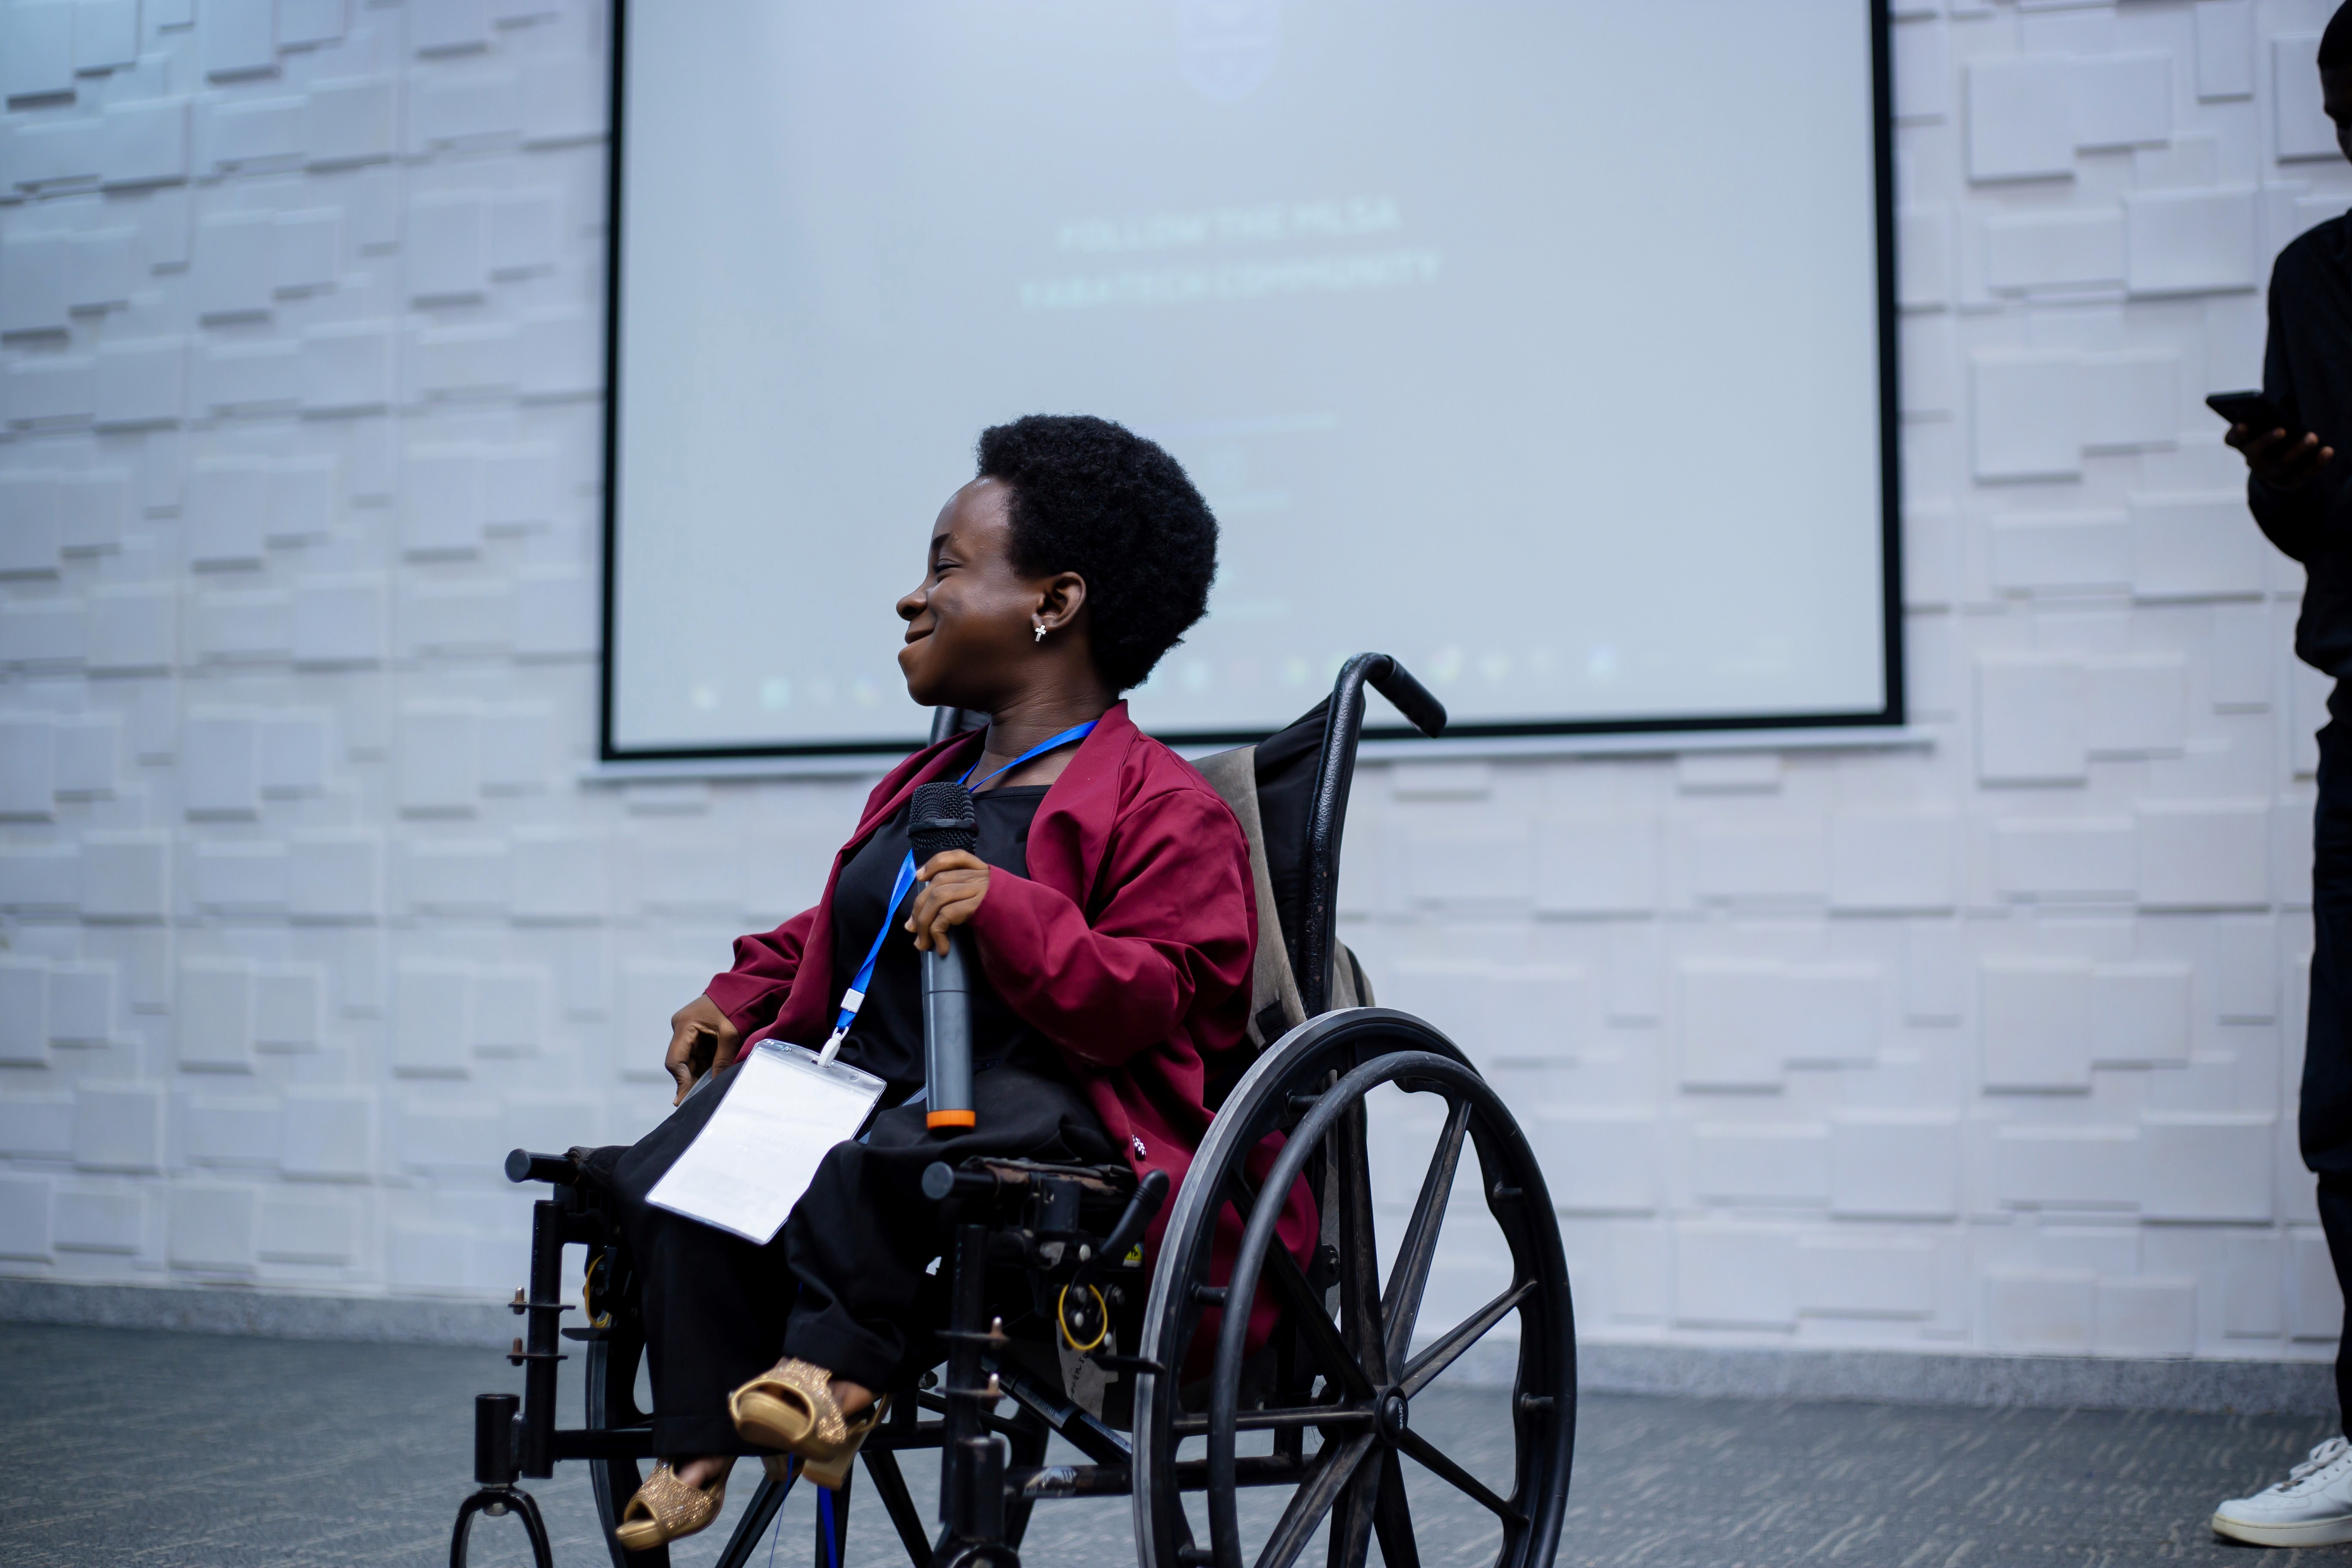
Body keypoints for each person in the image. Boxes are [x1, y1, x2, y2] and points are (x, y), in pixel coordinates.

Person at [585, 414, 1314, 1550]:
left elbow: (1158, 993)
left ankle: (839, 1381)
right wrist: (740, 994)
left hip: (1059, 1106)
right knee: (682, 1165)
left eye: (944, 568)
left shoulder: (1163, 806)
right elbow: (843, 927)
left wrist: (1011, 908)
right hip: (879, 1079)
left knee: (890, 1148)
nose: (911, 599)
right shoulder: (924, 780)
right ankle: (698, 1449)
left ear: (1054, 604)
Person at [2215, 4, 2352, 1548]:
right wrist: (2284, 488)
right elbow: (2316, 536)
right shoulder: (2312, 277)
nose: (2344, 128)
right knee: (2348, 1106)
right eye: (2332, 104)